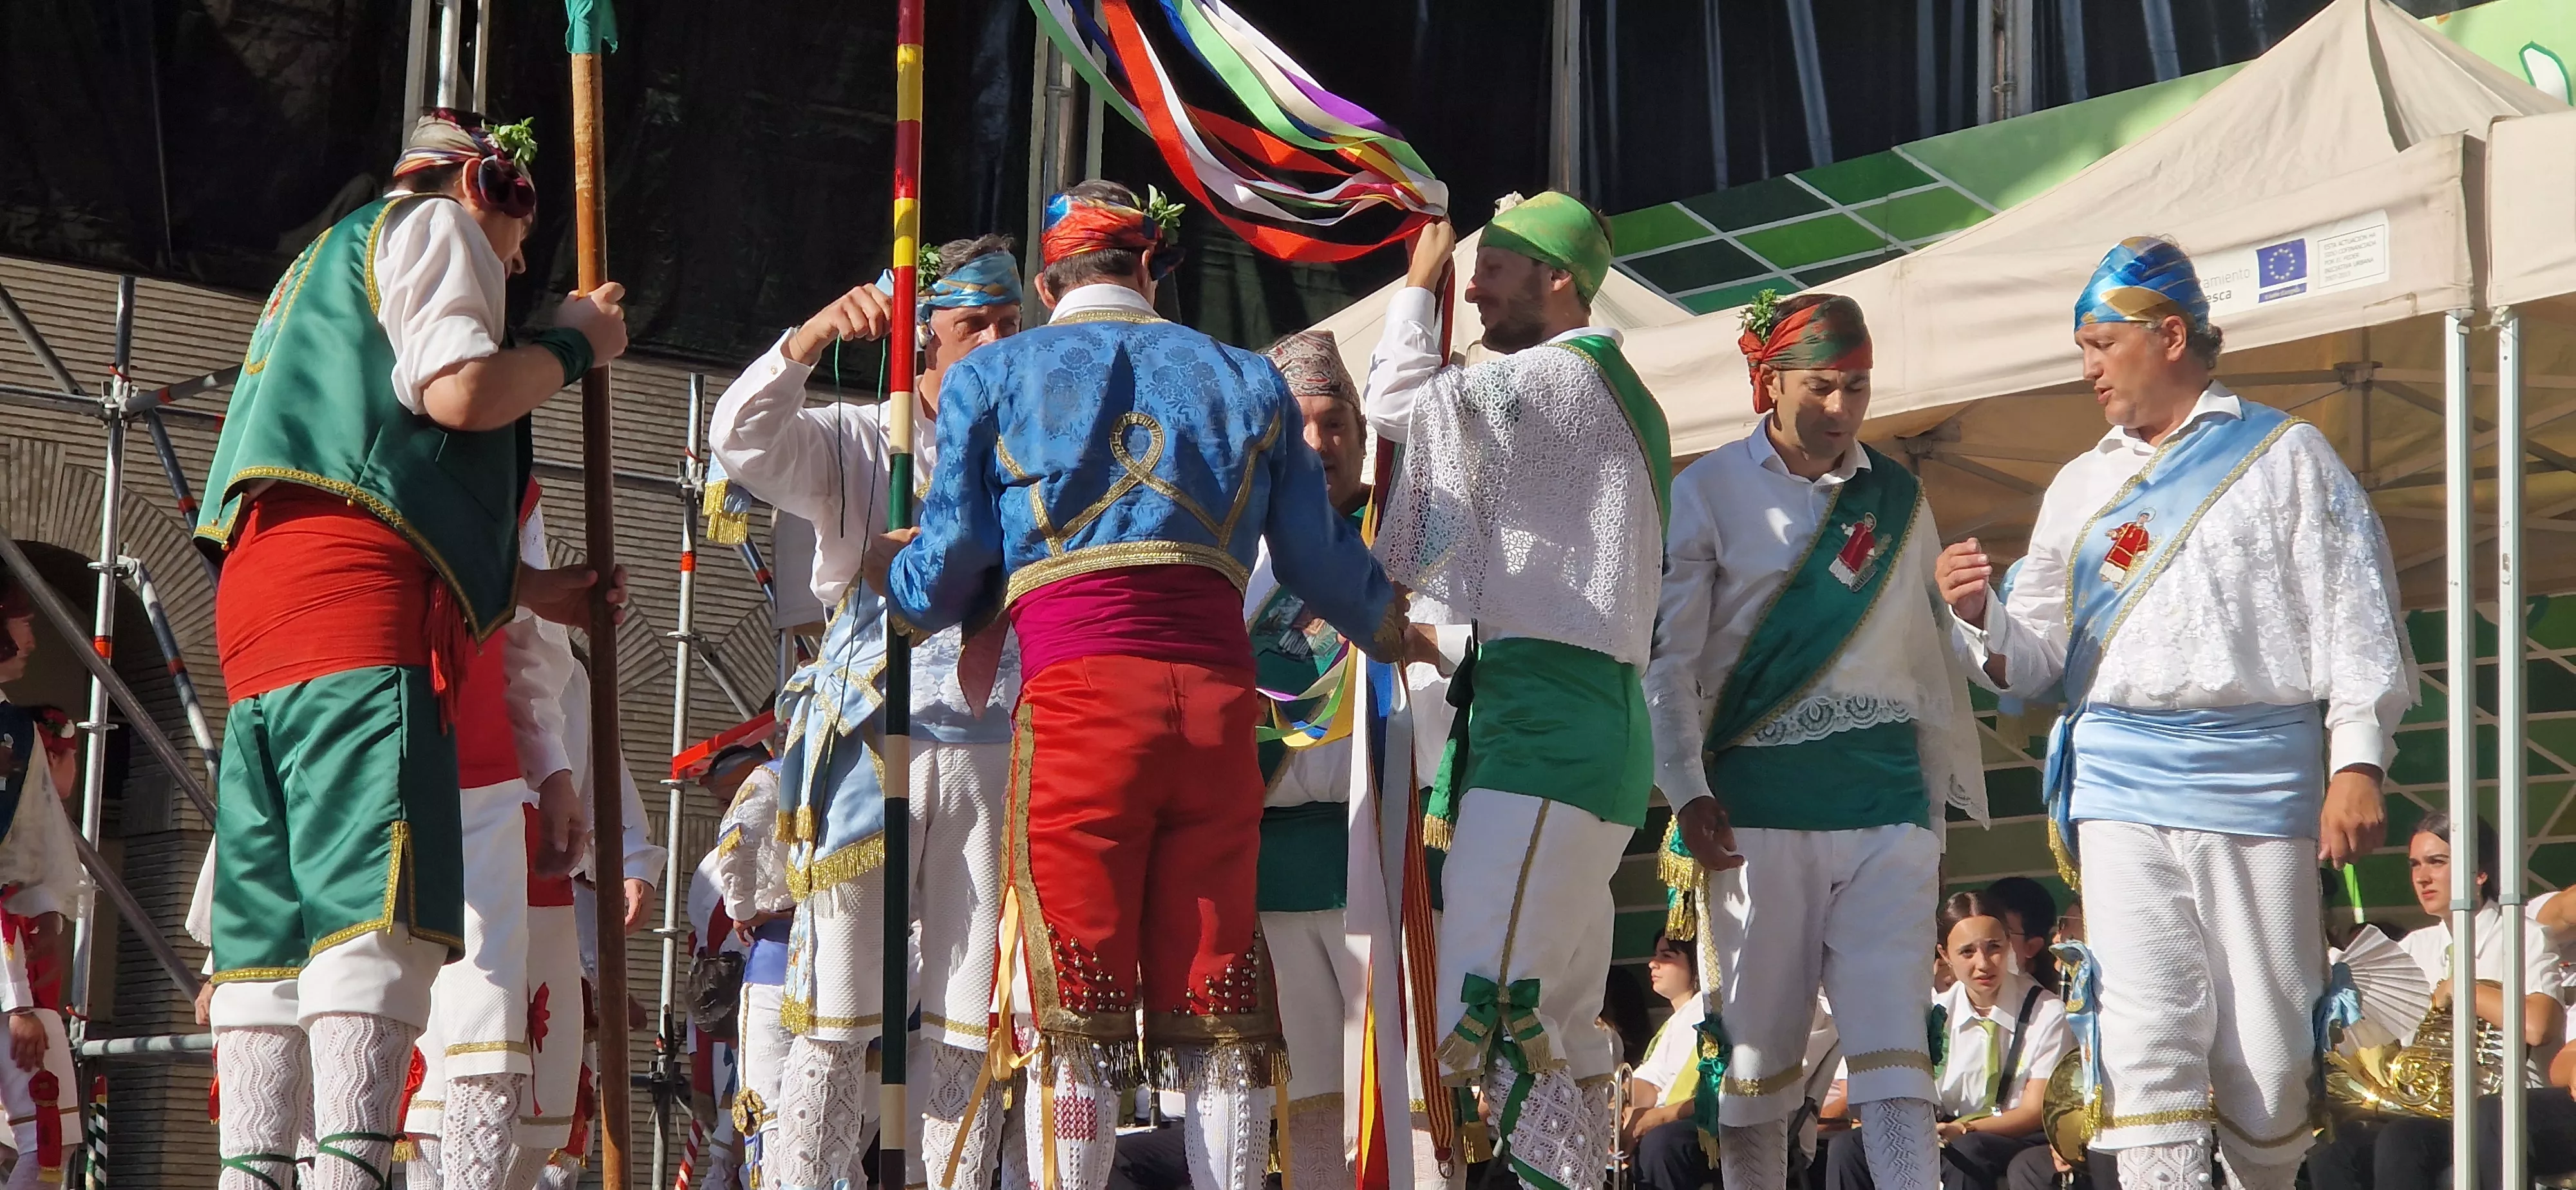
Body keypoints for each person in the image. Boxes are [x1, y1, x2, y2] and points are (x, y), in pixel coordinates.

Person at [873, 179, 1410, 1190]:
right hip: (1215, 711)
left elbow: (946, 571)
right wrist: (1394, 626)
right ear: (1150, 267)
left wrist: (889, 588)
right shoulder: (1248, 378)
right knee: (1219, 1002)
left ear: (1045, 282)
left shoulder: (998, 377)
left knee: (1072, 1010)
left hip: (1081, 712)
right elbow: (1316, 554)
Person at [194, 108, 629, 1190]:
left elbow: (381, 460)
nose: (513, 276)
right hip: (359, 616)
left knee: (272, 937)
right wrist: (575, 340)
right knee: (367, 923)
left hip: (266, 616)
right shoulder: (433, 229)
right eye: (516, 258)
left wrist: (531, 590)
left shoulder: (316, 270)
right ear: (483, 196)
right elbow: (461, 391)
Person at [1937, 236, 2413, 1190]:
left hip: (2258, 779)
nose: (2087, 369)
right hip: (2117, 785)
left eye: (2098, 343)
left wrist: (2357, 759)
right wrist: (1978, 615)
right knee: (2146, 1040)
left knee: (2271, 1057)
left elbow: (2356, 615)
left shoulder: (2287, 456)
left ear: (2167, 335)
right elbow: (2036, 659)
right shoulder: (2081, 484)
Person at [708, 232, 1028, 1190]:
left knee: (968, 1021)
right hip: (870, 742)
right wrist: (808, 338)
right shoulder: (861, 440)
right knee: (837, 1013)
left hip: (990, 748)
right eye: (976, 326)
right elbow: (742, 438)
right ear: (923, 340)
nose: (999, 343)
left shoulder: (1038, 450)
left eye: (1014, 325)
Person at [1647, 289, 1985, 1190]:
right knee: (1757, 1065)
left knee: (1894, 1051)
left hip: (1885, 807)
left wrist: (1933, 822)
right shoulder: (1707, 489)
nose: (1843, 410)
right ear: (1771, 381)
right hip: (1754, 810)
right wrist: (1685, 787)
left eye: (1860, 388)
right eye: (1824, 387)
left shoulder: (1899, 499)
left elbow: (1930, 668)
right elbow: (1669, 662)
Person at [1367, 193, 1669, 1190]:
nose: (1473, 283)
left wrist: (1415, 293)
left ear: (1560, 280)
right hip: (1562, 722)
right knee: (1563, 1019)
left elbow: (1402, 409)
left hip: (1550, 726)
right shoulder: (1592, 388)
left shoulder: (1562, 381)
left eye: (1495, 265)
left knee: (1494, 1000)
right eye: (1470, 267)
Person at [403, 489, 582, 1190]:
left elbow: (528, 639)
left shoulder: (511, 475)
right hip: (350, 741)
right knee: (354, 1012)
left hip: (478, 772)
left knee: (484, 1020)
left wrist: (553, 770)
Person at [1242, 329, 1381, 1190]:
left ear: (1365, 439)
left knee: (1390, 1084)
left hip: (1374, 853)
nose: (1321, 446)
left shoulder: (1399, 536)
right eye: (1298, 429)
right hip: (1272, 865)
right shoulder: (1239, 557)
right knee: (1313, 1100)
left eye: (1336, 426)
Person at [2306, 811, 2571, 1190]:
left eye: (2437, 862)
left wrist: (2462, 988)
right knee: (2336, 1148)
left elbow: (2538, 1027)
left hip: (2500, 1112)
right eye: (2415, 864)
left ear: (2480, 873)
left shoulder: (2524, 936)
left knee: (2403, 1142)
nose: (2421, 877)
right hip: (2430, 1110)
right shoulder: (2413, 947)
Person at [1830, 892, 2069, 1190]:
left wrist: (1964, 1128)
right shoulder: (1937, 1011)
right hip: (1946, 1127)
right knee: (1849, 1147)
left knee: (1966, 1152)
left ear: (2008, 943)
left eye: (1994, 947)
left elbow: (2033, 1111)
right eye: (1967, 952)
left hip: (2011, 1135)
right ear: (1945, 955)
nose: (1983, 964)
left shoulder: (2045, 1011)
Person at [0, 579, 91, 1190]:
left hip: (20, 959)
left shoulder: (10, 719)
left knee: (48, 1139)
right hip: (10, 975)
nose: (32, 637)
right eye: (20, 620)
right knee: (46, 1142)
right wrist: (18, 1002)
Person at [708, 746, 790, 1187]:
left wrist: (744, 908)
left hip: (778, 959)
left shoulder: (778, 774)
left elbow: (737, 837)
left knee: (768, 1114)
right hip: (873, 968)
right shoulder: (894, 763)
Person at [1627, 933, 1712, 1190]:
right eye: (1656, 956)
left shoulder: (1709, 1011)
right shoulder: (1675, 1022)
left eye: (1667, 956)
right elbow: (1651, 1080)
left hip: (1703, 1125)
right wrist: (1619, 1107)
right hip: (1666, 1119)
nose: (1653, 964)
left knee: (1661, 1142)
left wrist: (1655, 1117)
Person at [1982, 878, 2061, 994]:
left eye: (2002, 933)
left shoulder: (2045, 1007)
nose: (1984, 940)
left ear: (2031, 947)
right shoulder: (1950, 999)